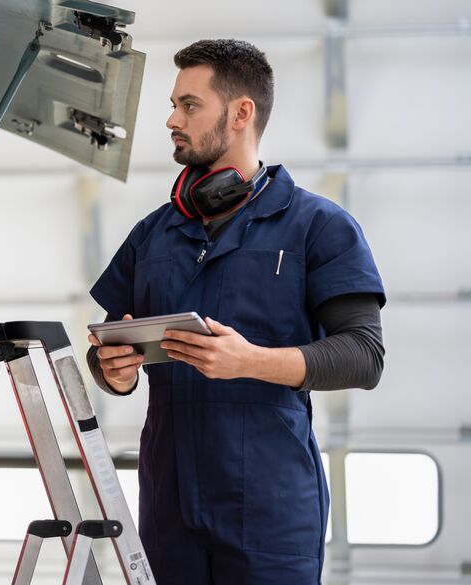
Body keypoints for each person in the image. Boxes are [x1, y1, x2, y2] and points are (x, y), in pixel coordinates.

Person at [86, 40, 385, 584]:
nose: (172, 119)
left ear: (241, 112)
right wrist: (113, 371)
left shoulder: (318, 226)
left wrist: (249, 361)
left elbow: (364, 355)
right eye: (174, 104)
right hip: (168, 505)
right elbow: (107, 355)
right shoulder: (153, 234)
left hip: (270, 510)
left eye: (190, 105)